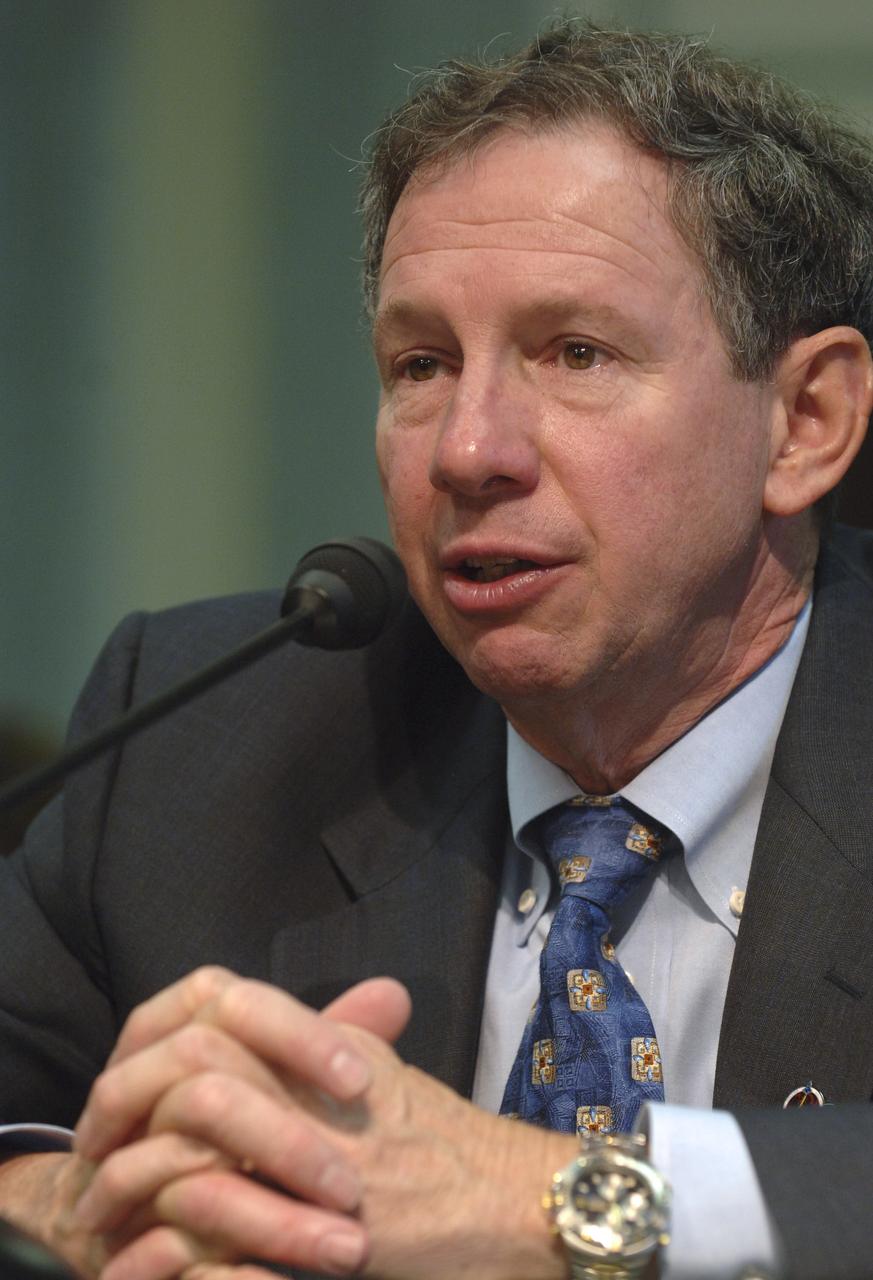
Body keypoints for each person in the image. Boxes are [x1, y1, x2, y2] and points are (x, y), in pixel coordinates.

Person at [1, 19, 872, 1280]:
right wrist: (92, 1215)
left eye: (575, 352)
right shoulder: (202, 746)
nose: (467, 451)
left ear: (806, 420)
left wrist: (554, 1197)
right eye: (420, 363)